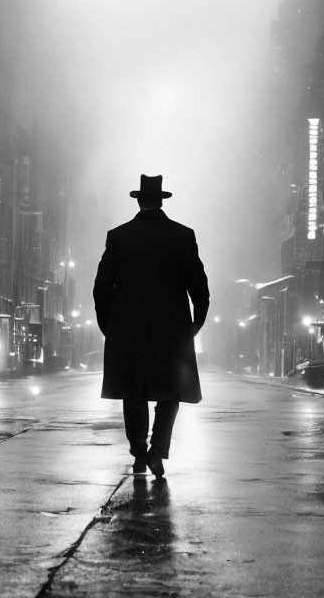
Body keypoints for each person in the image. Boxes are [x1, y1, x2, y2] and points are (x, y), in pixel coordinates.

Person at [92, 174, 209, 479]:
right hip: (172, 330)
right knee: (170, 392)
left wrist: (109, 327)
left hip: (128, 329)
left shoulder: (119, 237)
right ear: (160, 200)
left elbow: (101, 287)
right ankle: (158, 447)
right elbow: (199, 287)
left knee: (133, 391)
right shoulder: (183, 236)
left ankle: (139, 450)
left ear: (139, 200)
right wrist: (195, 325)